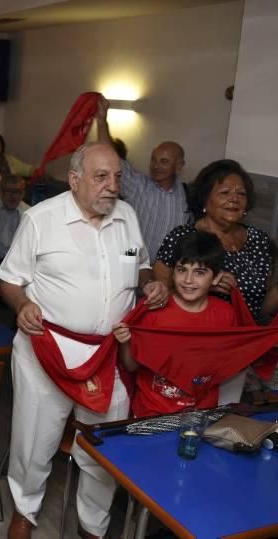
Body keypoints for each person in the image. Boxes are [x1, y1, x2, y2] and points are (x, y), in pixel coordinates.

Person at [0, 142, 168, 539]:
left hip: (109, 353)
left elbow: (140, 265)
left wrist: (152, 285)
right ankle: (25, 509)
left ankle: (93, 524)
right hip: (48, 348)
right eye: (101, 177)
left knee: (103, 444)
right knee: (35, 438)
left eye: (118, 176)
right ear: (74, 181)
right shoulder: (41, 219)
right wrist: (22, 304)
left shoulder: (127, 215)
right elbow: (10, 279)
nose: (112, 186)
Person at [153, 158, 275, 404]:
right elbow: (161, 290)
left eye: (241, 193)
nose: (234, 198)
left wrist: (260, 331)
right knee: (187, 413)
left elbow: (267, 296)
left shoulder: (259, 240)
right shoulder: (183, 236)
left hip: (240, 351)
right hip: (193, 350)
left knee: (224, 418)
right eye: (225, 192)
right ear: (205, 199)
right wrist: (205, 287)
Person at [114, 230, 236, 417]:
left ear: (217, 277)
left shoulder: (225, 315)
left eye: (200, 272)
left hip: (201, 415)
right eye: (182, 270)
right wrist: (124, 341)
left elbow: (227, 363)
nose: (188, 280)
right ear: (172, 273)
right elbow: (131, 366)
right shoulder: (152, 311)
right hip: (152, 412)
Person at [95, 96, 191, 263]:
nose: (156, 166)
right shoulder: (138, 185)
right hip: (131, 261)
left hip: (166, 272)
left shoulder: (186, 195)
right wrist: (102, 122)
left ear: (179, 166)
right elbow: (109, 156)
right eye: (154, 159)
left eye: (164, 161)